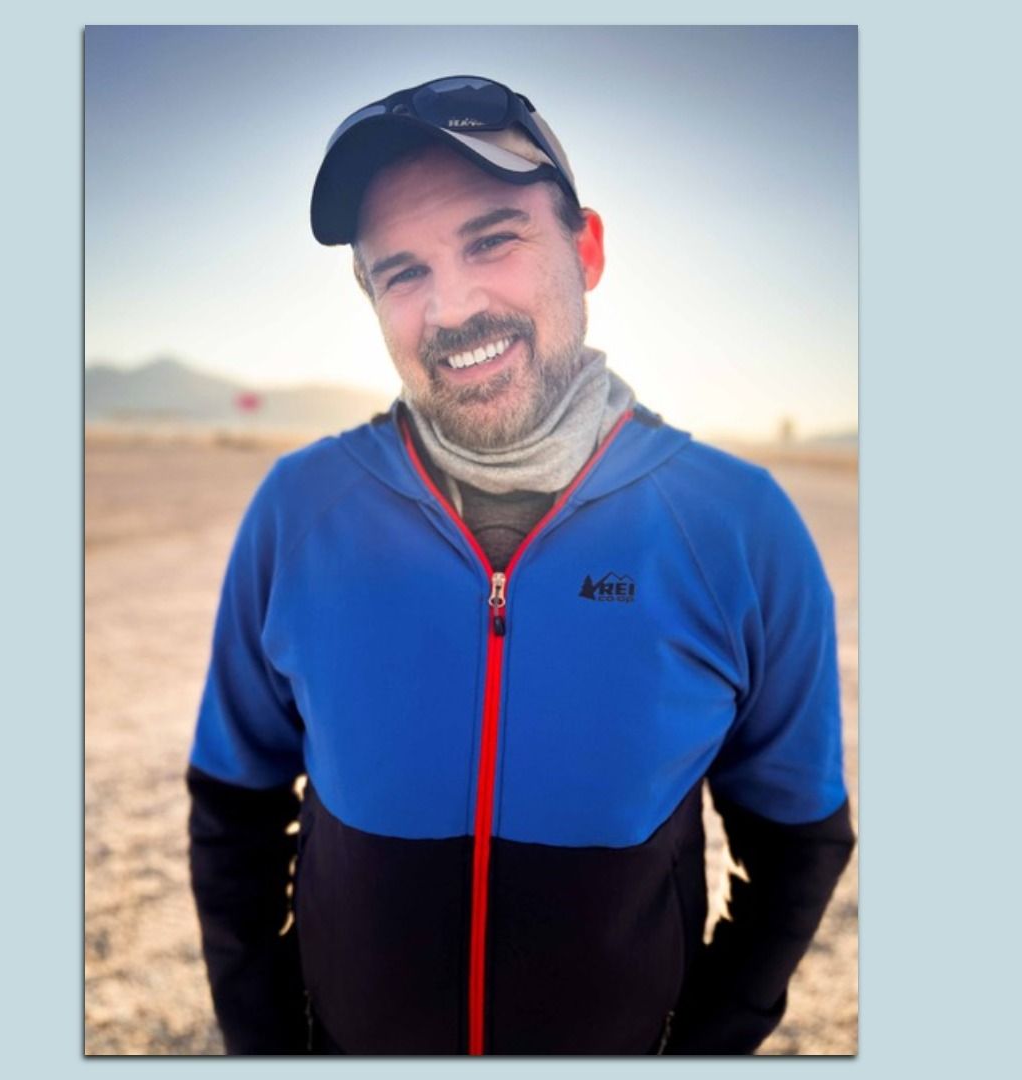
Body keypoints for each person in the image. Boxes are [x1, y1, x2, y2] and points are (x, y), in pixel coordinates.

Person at [185, 75, 855, 1056]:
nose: (452, 306)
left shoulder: (739, 528)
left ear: (586, 247)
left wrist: (709, 1041)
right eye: (401, 271)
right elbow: (233, 813)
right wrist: (268, 1043)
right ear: (370, 297)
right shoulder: (300, 509)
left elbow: (800, 845)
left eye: (493, 240)